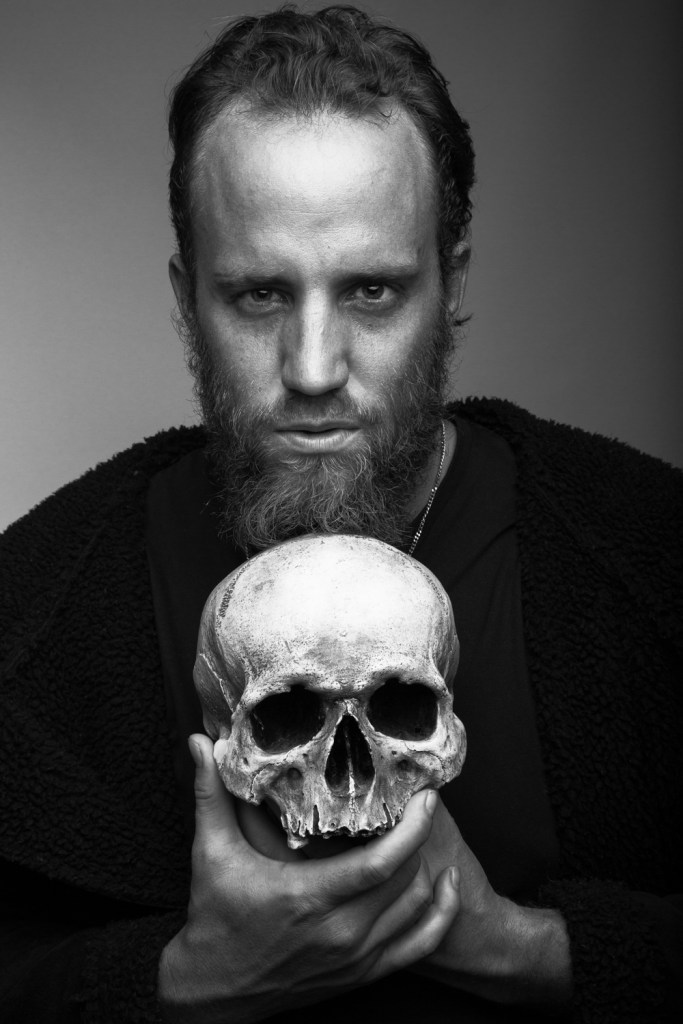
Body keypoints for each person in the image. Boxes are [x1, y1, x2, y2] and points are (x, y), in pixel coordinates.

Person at [1, 5, 681, 1023]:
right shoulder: (29, 619)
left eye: (370, 291)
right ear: (187, 301)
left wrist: (524, 948)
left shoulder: (649, 557)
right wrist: (176, 982)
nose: (313, 369)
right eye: (258, 295)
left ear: (450, 283)